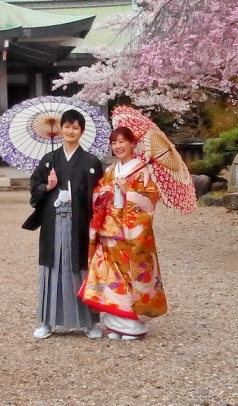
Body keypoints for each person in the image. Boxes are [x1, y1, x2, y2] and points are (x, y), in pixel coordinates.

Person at [80, 127, 168, 340]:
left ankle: (133, 326)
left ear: (132, 144)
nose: (118, 146)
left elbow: (149, 201)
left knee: (130, 275)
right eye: (114, 142)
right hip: (109, 229)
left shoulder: (141, 170)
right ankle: (116, 325)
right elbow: (98, 195)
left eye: (122, 141)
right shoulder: (110, 171)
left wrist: (128, 191)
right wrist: (106, 192)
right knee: (112, 276)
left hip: (131, 232)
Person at [24, 109, 104, 339]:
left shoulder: (91, 161)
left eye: (75, 127)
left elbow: (99, 195)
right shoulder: (49, 160)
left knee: (81, 268)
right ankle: (47, 322)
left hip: (80, 223)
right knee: (53, 268)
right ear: (60, 129)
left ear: (81, 131)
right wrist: (48, 187)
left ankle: (90, 323)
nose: (70, 131)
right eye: (67, 126)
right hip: (54, 223)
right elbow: (34, 189)